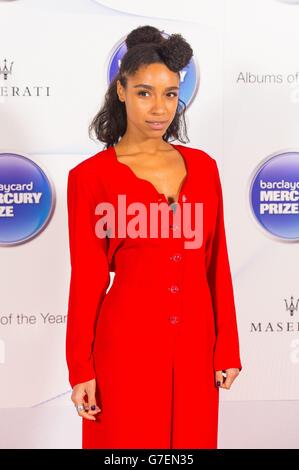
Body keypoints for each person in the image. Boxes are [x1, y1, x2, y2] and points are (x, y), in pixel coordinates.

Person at [65, 25, 242, 449]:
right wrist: (80, 368)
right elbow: (87, 279)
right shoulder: (89, 178)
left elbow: (216, 262)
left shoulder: (204, 168)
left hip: (197, 349)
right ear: (121, 90)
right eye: (145, 92)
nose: (159, 107)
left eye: (169, 93)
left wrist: (227, 349)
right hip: (125, 349)